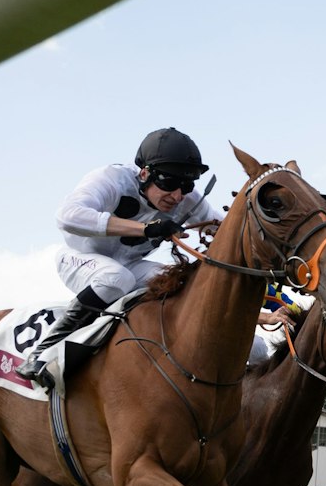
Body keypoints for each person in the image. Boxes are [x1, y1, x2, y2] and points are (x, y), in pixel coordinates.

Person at [16, 127, 223, 386]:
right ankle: (44, 351)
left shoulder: (187, 200)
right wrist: (145, 228)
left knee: (181, 283)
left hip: (131, 265)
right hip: (79, 258)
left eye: (186, 184)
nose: (177, 195)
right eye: (169, 183)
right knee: (116, 277)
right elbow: (67, 215)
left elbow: (223, 230)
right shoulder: (112, 178)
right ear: (145, 173)